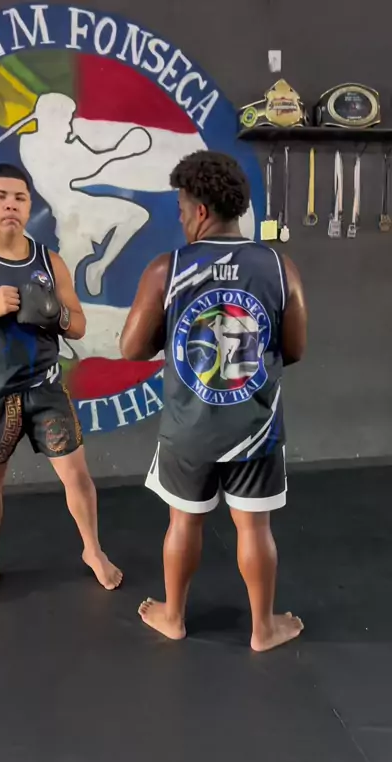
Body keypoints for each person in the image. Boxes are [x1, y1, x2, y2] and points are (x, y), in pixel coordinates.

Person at [120, 151, 307, 652]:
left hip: (190, 428)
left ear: (200, 210)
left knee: (183, 521)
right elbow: (295, 349)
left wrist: (172, 332)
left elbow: (131, 348)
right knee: (255, 526)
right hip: (255, 428)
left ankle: (173, 617)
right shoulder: (279, 267)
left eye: (182, 208)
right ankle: (263, 629)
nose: (181, 218)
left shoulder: (167, 269)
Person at [0, 163, 122, 605]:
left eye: (19, 198)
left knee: (77, 476)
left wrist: (56, 314)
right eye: (1, 197)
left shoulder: (48, 261)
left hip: (45, 387)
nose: (10, 205)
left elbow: (78, 325)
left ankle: (92, 550)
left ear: (29, 205)